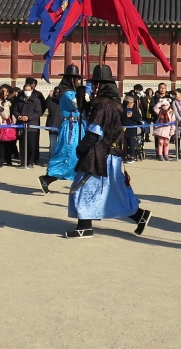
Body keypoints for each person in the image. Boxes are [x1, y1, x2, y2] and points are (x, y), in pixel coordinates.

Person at [64, 65, 151, 238]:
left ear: (100, 86)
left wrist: (81, 147)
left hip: (99, 154)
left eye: (94, 84)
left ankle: (84, 226)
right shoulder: (110, 104)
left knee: (84, 188)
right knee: (113, 191)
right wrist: (82, 100)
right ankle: (138, 215)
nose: (92, 87)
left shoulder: (102, 106)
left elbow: (95, 132)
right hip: (109, 154)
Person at [40, 66, 85, 193]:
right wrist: (84, 95)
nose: (77, 82)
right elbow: (77, 104)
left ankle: (78, 182)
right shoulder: (67, 94)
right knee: (69, 154)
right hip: (71, 127)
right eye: (75, 79)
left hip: (78, 126)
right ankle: (49, 177)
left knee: (78, 155)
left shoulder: (70, 93)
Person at [11, 77, 46, 168]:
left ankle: (30, 162)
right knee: (22, 144)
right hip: (21, 125)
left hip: (32, 125)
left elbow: (38, 112)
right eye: (25, 90)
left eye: (28, 90)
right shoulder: (19, 99)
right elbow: (15, 110)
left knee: (31, 144)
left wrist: (29, 117)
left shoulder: (36, 100)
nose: (27, 92)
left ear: (32, 90)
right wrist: (18, 116)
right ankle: (23, 162)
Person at [152, 92, 175, 160]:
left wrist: (172, 130)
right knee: (160, 142)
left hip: (167, 129)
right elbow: (155, 108)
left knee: (166, 142)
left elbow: (173, 122)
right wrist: (160, 102)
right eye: (163, 105)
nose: (164, 106)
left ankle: (166, 154)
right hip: (160, 129)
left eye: (166, 105)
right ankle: (160, 154)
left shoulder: (171, 112)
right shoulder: (160, 111)